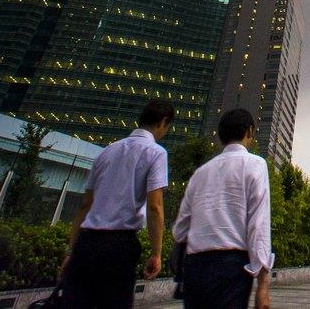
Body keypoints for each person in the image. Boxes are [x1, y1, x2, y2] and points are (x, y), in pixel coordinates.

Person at [59, 100, 173, 308]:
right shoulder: (156, 152)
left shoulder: (107, 151)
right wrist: (156, 253)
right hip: (118, 245)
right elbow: (154, 206)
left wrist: (71, 251)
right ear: (163, 122)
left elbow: (85, 205)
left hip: (86, 243)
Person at [174, 109, 273, 309]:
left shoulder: (200, 173)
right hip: (231, 268)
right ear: (250, 131)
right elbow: (258, 226)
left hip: (195, 267)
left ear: (221, 136)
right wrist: (263, 285)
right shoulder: (255, 164)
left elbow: (181, 228)